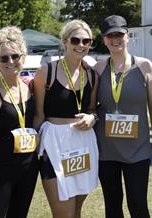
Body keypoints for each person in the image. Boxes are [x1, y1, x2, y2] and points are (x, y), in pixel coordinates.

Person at [94, 15, 152, 218]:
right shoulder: (98, 69)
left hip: (138, 149)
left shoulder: (145, 66)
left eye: (119, 34)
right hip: (106, 150)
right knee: (112, 207)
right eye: (110, 35)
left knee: (138, 204)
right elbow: (89, 106)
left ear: (128, 36)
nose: (115, 39)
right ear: (104, 40)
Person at [33, 20, 99, 218]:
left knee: (77, 210)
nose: (81, 45)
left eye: (86, 41)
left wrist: (92, 118)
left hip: (83, 144)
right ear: (65, 42)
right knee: (64, 214)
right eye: (75, 40)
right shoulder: (47, 71)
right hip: (54, 146)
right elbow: (38, 115)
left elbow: (93, 109)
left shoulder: (92, 75)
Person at [0, 26, 40, 217]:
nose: (10, 61)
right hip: (1, 170)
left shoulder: (29, 87)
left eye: (15, 56)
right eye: (4, 58)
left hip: (29, 168)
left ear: (24, 57)